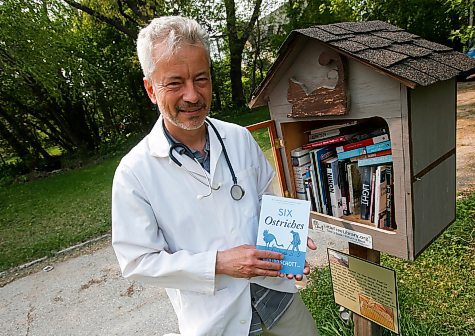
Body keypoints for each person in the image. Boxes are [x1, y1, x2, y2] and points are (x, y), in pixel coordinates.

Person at [111, 16, 319, 336]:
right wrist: (218, 264)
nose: (193, 96)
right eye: (175, 82)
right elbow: (137, 262)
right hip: (216, 320)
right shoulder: (134, 173)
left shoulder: (239, 138)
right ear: (151, 89)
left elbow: (265, 198)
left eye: (201, 79)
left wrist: (287, 236)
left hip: (279, 298)